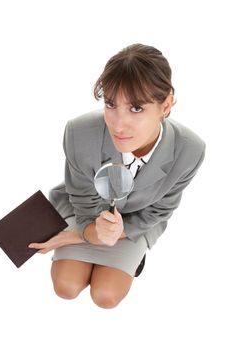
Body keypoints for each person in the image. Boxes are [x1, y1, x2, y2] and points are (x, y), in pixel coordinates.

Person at [29, 43, 205, 309]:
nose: (118, 124)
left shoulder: (190, 150)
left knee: (105, 296)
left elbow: (158, 212)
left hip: (137, 220)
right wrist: (89, 230)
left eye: (136, 108)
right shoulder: (79, 132)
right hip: (86, 213)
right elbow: (84, 202)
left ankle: (132, 254)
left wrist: (75, 236)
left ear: (166, 104)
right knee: (66, 287)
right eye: (111, 104)